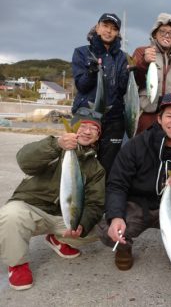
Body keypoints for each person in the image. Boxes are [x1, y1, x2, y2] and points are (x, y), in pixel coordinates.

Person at [97, 92, 171, 270]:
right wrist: (116, 216)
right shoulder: (136, 145)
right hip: (138, 205)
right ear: (159, 119)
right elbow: (116, 184)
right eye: (169, 116)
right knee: (108, 226)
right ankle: (123, 248)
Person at [0, 108, 105, 290]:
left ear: (98, 136)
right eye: (83, 126)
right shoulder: (53, 147)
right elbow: (24, 160)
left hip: (62, 216)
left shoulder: (96, 168)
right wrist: (57, 145)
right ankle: (17, 265)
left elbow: (95, 204)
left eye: (94, 129)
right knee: (11, 215)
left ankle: (58, 239)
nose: (87, 131)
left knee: (102, 229)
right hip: (33, 209)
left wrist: (83, 224)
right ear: (72, 128)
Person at [72, 13, 129, 177]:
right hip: (85, 115)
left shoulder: (122, 57)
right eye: (105, 26)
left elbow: (122, 91)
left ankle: (103, 199)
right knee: (79, 160)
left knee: (108, 165)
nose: (109, 31)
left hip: (113, 119)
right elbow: (81, 85)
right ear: (97, 27)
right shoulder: (82, 52)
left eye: (113, 29)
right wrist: (91, 72)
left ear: (118, 33)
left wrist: (128, 76)